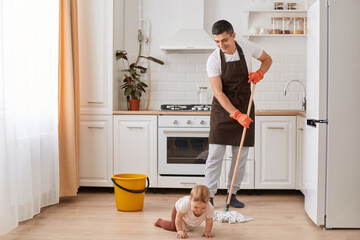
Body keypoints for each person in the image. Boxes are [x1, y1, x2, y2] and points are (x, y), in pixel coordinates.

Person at [205, 20, 272, 208]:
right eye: (217, 41)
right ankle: (209, 196)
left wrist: (260, 72)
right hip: (222, 110)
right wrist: (236, 115)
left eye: (224, 40)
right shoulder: (214, 59)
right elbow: (218, 92)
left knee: (240, 156)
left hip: (245, 104)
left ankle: (231, 194)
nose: (221, 45)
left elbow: (268, 60)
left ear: (233, 35)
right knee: (215, 155)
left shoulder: (248, 47)